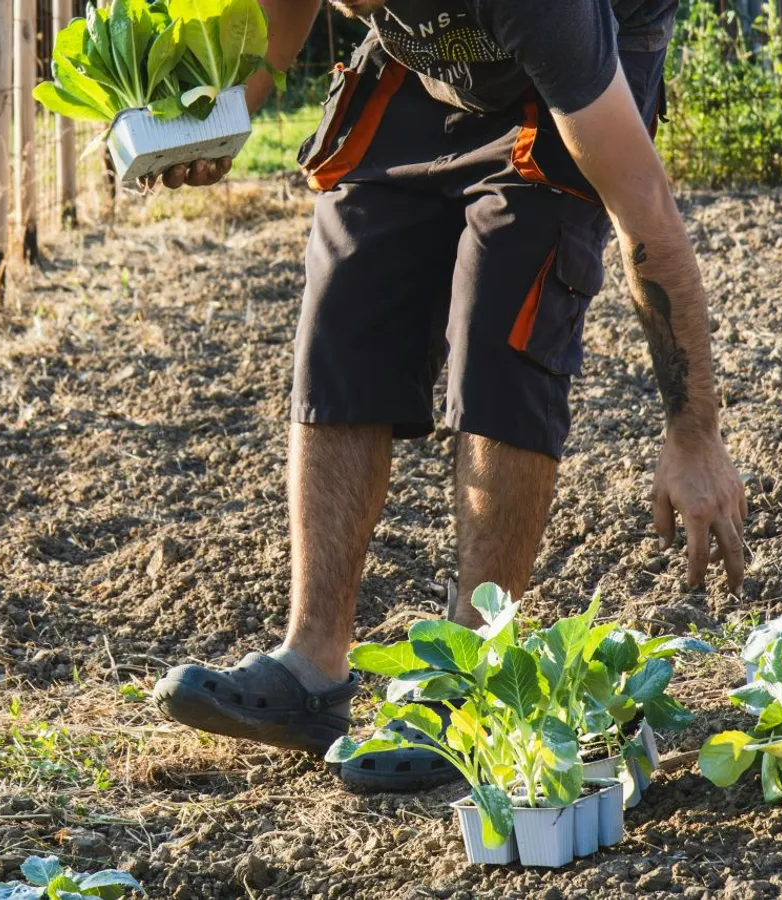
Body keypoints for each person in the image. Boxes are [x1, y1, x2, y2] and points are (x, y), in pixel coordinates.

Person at [151, 0, 748, 792]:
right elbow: (277, 27)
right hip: (425, 66)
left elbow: (648, 214)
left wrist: (695, 434)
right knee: (346, 304)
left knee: (507, 330)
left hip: (567, 77)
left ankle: (468, 688)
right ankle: (311, 667)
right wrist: (214, 127)